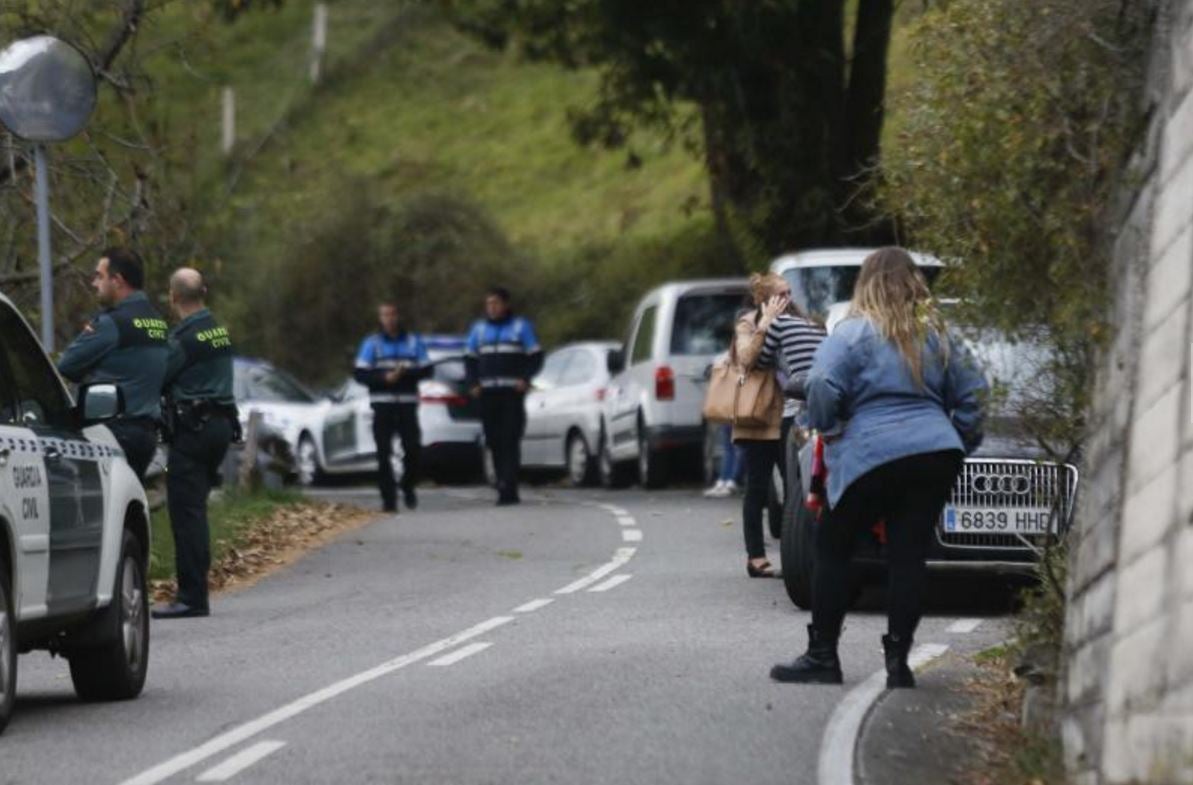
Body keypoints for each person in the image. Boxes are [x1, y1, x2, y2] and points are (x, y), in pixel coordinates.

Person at [770, 247, 987, 688]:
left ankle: (823, 657)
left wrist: (827, 428)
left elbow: (822, 384)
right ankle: (898, 664)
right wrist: (956, 442)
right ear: (915, 283)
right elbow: (975, 395)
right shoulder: (940, 335)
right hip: (933, 454)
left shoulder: (851, 333)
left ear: (864, 284)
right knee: (909, 558)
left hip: (869, 455)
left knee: (832, 547)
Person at [152, 268, 238, 620]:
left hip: (194, 428)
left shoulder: (185, 339)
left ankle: (192, 596)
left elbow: (158, 376)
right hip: (219, 426)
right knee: (196, 511)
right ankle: (197, 588)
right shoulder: (218, 330)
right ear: (204, 291)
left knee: (185, 513)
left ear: (173, 298)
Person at [58, 248, 169, 481]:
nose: (94, 283)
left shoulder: (112, 323)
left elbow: (66, 365)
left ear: (117, 281)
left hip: (114, 434)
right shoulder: (158, 323)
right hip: (147, 434)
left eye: (99, 276)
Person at [731, 273, 790, 578]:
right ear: (764, 299)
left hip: (789, 417)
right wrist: (764, 325)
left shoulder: (795, 323)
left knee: (795, 489)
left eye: (789, 294)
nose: (787, 300)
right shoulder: (748, 323)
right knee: (757, 489)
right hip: (758, 418)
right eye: (781, 294)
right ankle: (756, 557)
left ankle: (797, 556)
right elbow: (745, 359)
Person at [465, 287, 543, 506]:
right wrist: (473, 383)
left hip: (511, 394)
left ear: (505, 304)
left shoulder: (520, 327)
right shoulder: (478, 329)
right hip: (488, 394)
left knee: (510, 438)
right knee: (494, 440)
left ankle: (509, 487)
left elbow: (536, 356)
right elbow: (469, 359)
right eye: (489, 303)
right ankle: (501, 482)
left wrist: (525, 379)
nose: (492, 307)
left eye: (496, 303)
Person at [353, 302, 430, 513]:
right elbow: (360, 374)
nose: (389, 319)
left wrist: (406, 374)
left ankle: (407, 484)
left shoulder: (414, 342)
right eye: (385, 315)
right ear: (380, 318)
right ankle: (388, 499)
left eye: (392, 314)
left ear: (398, 316)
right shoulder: (372, 344)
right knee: (383, 452)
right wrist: (384, 377)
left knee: (413, 449)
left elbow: (427, 370)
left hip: (407, 405)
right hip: (382, 405)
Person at [703, 423, 743, 498]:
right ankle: (730, 481)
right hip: (737, 416)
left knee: (729, 448)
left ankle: (725, 480)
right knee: (736, 448)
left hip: (728, 416)